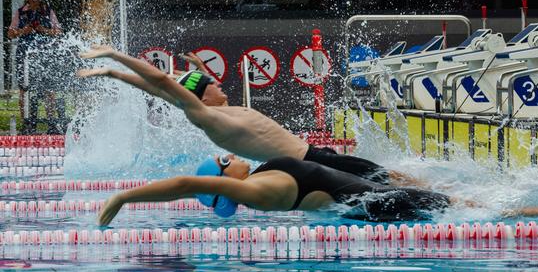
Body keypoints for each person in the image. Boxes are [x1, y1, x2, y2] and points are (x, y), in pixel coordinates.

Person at [76, 44, 424, 188]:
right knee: (386, 181)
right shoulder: (208, 118)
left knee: (387, 177)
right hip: (309, 166)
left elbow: (161, 89)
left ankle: (435, 187)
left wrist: (118, 75)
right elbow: (162, 82)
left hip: (314, 158)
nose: (217, 83)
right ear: (201, 97)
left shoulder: (220, 110)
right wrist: (113, 59)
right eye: (210, 82)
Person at [97, 154, 538, 225]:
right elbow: (182, 184)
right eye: (223, 162)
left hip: (369, 197)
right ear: (226, 180)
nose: (229, 157)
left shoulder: (263, 177)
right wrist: (122, 197)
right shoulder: (255, 190)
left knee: (472, 206)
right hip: (378, 205)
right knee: (481, 213)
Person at [8, 0, 65, 134]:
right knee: (24, 89)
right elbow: (10, 33)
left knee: (49, 89)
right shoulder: (20, 13)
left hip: (45, 53)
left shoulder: (48, 11)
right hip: (25, 54)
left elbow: (59, 32)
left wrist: (44, 30)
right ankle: (26, 123)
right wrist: (22, 31)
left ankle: (52, 123)